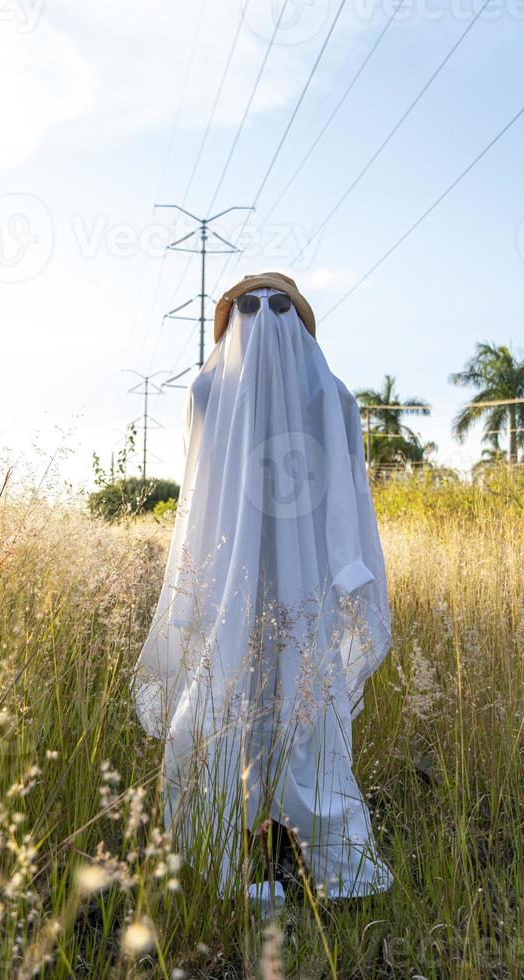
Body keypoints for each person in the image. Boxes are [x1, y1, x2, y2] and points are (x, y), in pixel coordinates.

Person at [130, 272, 393, 912]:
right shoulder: (209, 393)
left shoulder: (332, 397)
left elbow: (349, 499)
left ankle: (286, 846)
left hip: (298, 586)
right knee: (234, 697)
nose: (263, 318)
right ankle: (235, 844)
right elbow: (197, 501)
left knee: (293, 699)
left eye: (275, 307)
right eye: (252, 307)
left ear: (295, 322)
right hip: (231, 583)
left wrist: (341, 571)